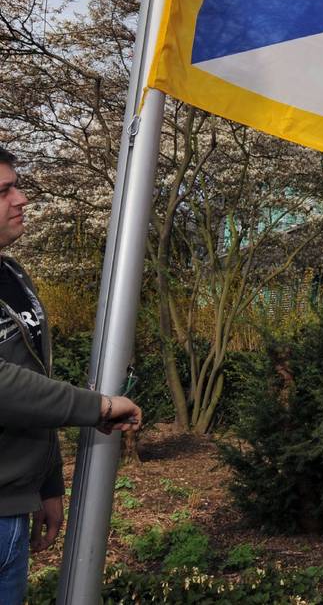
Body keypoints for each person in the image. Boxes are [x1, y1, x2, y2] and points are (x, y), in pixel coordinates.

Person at [0, 147, 142, 604]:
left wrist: (46, 484)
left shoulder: (12, 274)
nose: (21, 199)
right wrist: (95, 407)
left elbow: (32, 374)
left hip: (11, 510)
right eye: (4, 191)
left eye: (17, 185)